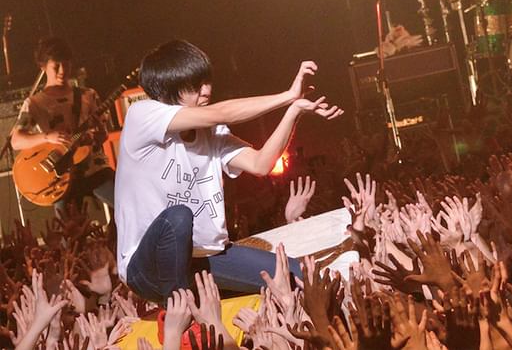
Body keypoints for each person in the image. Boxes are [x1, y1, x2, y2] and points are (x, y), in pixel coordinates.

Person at [114, 40, 343, 303]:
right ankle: (179, 309)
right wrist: (287, 95)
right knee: (178, 217)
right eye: (195, 86)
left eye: (206, 82)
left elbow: (260, 164)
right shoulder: (141, 116)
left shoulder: (213, 133)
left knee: (301, 277)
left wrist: (293, 111)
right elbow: (221, 113)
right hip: (148, 266)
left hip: (203, 259)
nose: (206, 91)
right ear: (170, 89)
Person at [10, 36, 115, 210]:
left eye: (66, 65)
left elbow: (102, 136)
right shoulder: (35, 103)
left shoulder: (88, 95)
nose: (62, 71)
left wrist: (100, 134)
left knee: (129, 207)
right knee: (68, 225)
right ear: (43, 67)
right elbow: (16, 141)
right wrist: (47, 137)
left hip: (94, 169)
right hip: (60, 177)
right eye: (56, 66)